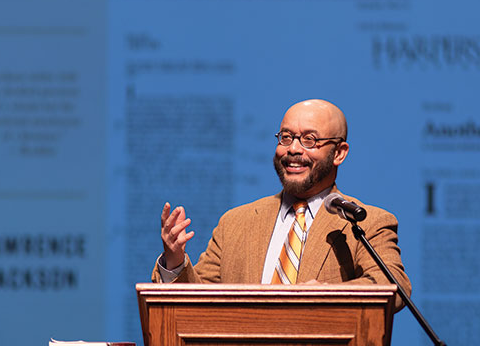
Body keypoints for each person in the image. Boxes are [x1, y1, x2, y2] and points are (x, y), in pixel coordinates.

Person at [154, 99, 410, 310]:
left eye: (309, 140)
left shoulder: (365, 221)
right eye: (286, 137)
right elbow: (197, 303)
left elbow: (393, 286)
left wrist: (328, 294)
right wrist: (175, 260)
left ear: (339, 153)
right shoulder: (235, 223)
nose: (293, 149)